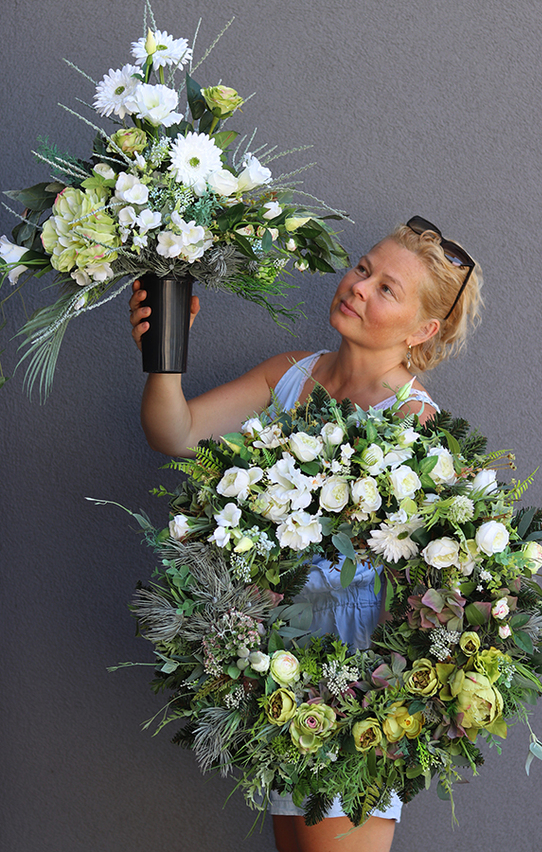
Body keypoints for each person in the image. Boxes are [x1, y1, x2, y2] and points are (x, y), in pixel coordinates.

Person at [129, 216, 482, 852]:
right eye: (363, 268)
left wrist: (373, 700)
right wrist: (164, 353)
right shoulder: (292, 374)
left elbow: (434, 593)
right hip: (276, 681)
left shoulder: (415, 425)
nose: (358, 286)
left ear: (422, 332)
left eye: (386, 290)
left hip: (348, 699)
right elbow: (177, 432)